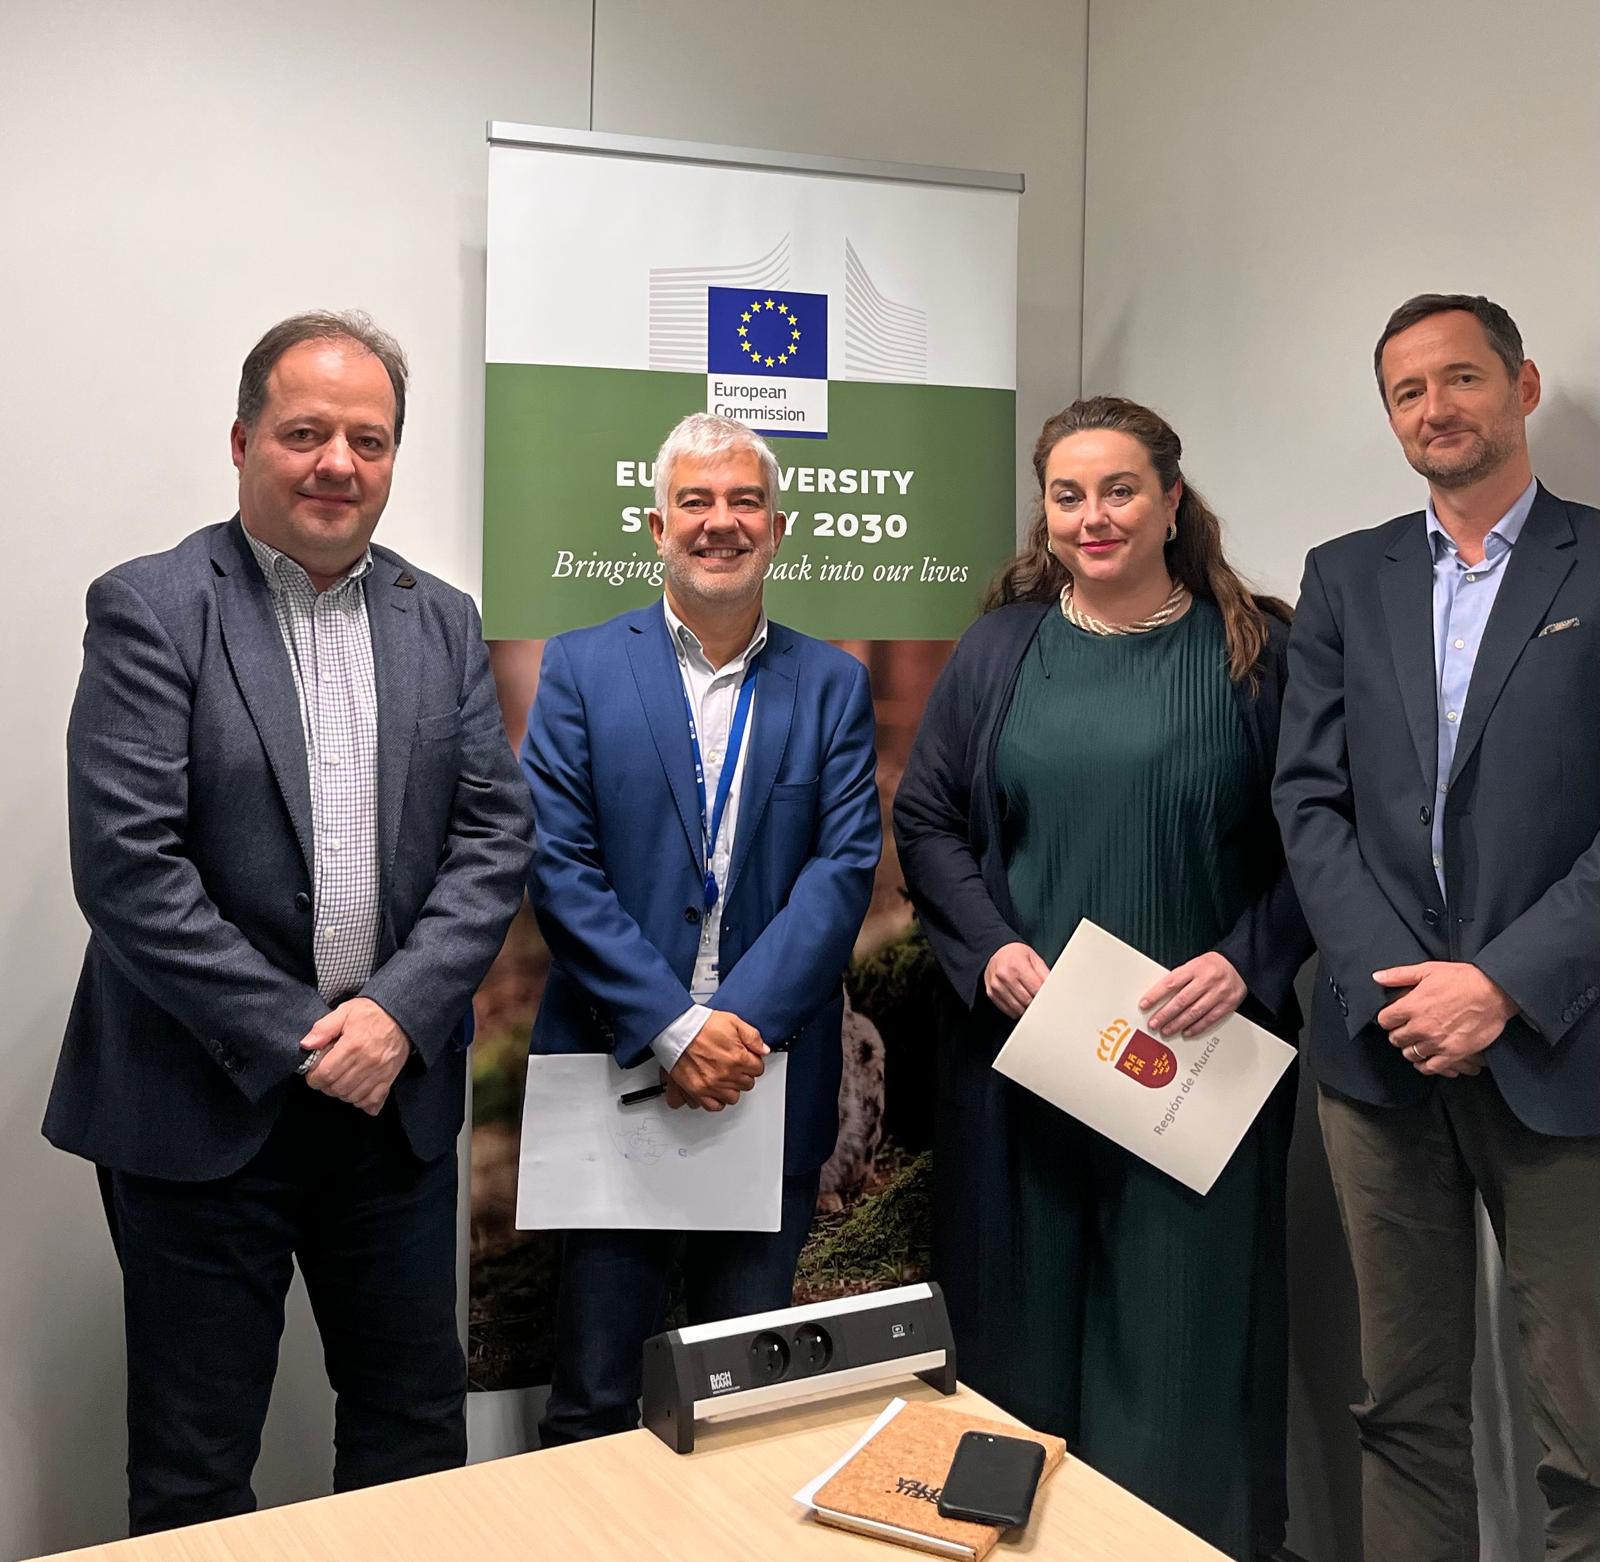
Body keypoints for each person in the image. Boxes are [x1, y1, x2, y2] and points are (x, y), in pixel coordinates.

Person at [45, 311, 535, 1534]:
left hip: (394, 1109)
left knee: (413, 1435)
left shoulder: (440, 617)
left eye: (368, 440)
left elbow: (492, 837)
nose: (337, 463)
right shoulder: (154, 606)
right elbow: (128, 868)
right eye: (306, 432)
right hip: (203, 1104)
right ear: (242, 440)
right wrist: (310, 1038)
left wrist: (395, 1016)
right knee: (196, 1469)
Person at [894, 396, 1311, 1560]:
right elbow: (927, 821)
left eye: (1120, 489)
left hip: (1194, 1071)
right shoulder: (1000, 650)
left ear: (1171, 500)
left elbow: (1320, 845)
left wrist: (1245, 959)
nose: (1094, 516)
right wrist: (990, 948)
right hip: (1023, 1062)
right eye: (1067, 494)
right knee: (1013, 1358)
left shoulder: (1257, 654)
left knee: (1180, 1360)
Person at [1274, 293, 1600, 1559]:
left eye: (1459, 377)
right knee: (1401, 1410)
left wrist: (1500, 984)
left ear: (1522, 386)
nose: (1434, 408)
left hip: (1562, 1046)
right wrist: (1402, 987)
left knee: (1586, 1427)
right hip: (1382, 1054)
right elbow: (1308, 799)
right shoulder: (1345, 575)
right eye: (1406, 391)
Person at [521, 412, 880, 1444]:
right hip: (614, 1061)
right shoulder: (581, 667)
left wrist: (735, 1029)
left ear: (779, 527)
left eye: (744, 502)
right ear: (656, 524)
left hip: (768, 1072)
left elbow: (843, 868)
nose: (721, 522)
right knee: (594, 1396)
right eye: (696, 501)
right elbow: (558, 864)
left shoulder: (833, 685)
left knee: (743, 1402)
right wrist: (675, 1029)